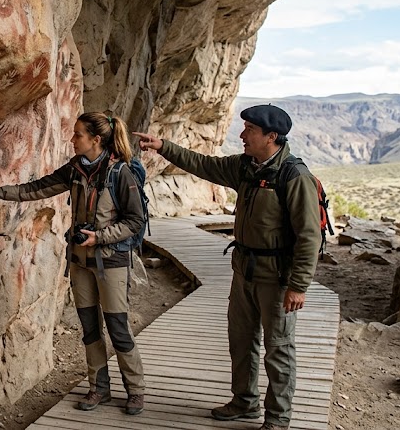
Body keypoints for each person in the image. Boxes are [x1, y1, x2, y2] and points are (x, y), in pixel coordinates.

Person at [133, 105, 320, 430]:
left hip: (276, 279)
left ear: (271, 137)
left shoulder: (293, 176)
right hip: (244, 272)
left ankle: (277, 419)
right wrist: (164, 147)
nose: (242, 135)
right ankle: (244, 403)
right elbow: (204, 165)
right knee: (241, 340)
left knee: (278, 349)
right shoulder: (246, 167)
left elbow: (309, 236)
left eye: (250, 129)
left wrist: (299, 286)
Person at [0, 111, 147, 415]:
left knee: (117, 327)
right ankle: (99, 388)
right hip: (80, 260)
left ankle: (136, 390)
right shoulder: (77, 168)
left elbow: (135, 221)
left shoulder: (121, 174)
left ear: (95, 139)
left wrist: (101, 237)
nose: (72, 138)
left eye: (77, 134)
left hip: (111, 262)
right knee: (90, 326)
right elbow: (39, 187)